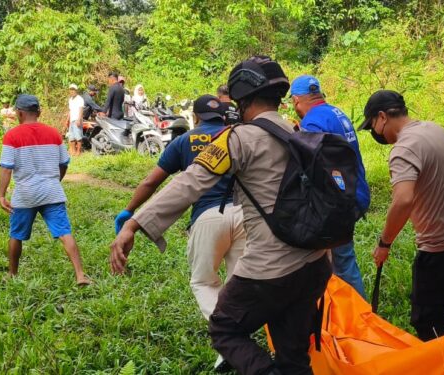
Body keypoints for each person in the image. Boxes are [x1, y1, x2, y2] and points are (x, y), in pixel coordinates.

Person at [110, 56, 331, 375]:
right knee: (293, 355)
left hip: (273, 267)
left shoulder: (237, 138)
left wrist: (134, 222)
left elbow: (189, 183)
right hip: (316, 262)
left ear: (241, 97)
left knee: (225, 329)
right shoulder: (295, 131)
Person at [358, 90, 444, 341]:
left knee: (426, 316)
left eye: (373, 125)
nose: (375, 133)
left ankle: (443, 362)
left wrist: (384, 243)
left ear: (382, 117)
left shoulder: (404, 148)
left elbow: (403, 199)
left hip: (442, 247)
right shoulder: (434, 129)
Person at [114, 94, 244, 319]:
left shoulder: (184, 141)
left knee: (204, 282)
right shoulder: (236, 137)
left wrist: (130, 210)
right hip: (245, 215)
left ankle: (227, 336)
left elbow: (151, 182)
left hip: (208, 217)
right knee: (240, 283)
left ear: (195, 117)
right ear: (223, 117)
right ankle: (239, 336)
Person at [290, 74, 370, 298]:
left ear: (296, 100)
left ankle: (355, 317)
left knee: (339, 262)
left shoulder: (312, 122)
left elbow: (310, 169)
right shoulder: (336, 112)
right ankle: (353, 314)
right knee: (342, 258)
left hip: (338, 201)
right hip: (355, 192)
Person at [0, 94, 90, 285]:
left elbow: (6, 167)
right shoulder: (54, 133)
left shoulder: (11, 136)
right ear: (39, 112)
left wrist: (1, 195)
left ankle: (12, 274)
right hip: (52, 192)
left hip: (25, 194)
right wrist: (56, 180)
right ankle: (80, 275)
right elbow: (64, 163)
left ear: (19, 113)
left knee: (16, 235)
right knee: (65, 232)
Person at [66, 84, 85, 156]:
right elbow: (70, 111)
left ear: (76, 90)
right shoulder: (70, 99)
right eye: (71, 89)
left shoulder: (80, 99)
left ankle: (78, 152)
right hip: (71, 120)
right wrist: (67, 120)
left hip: (77, 119)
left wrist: (79, 119)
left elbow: (81, 110)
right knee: (72, 137)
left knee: (78, 136)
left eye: (73, 89)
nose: (72, 91)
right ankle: (73, 151)